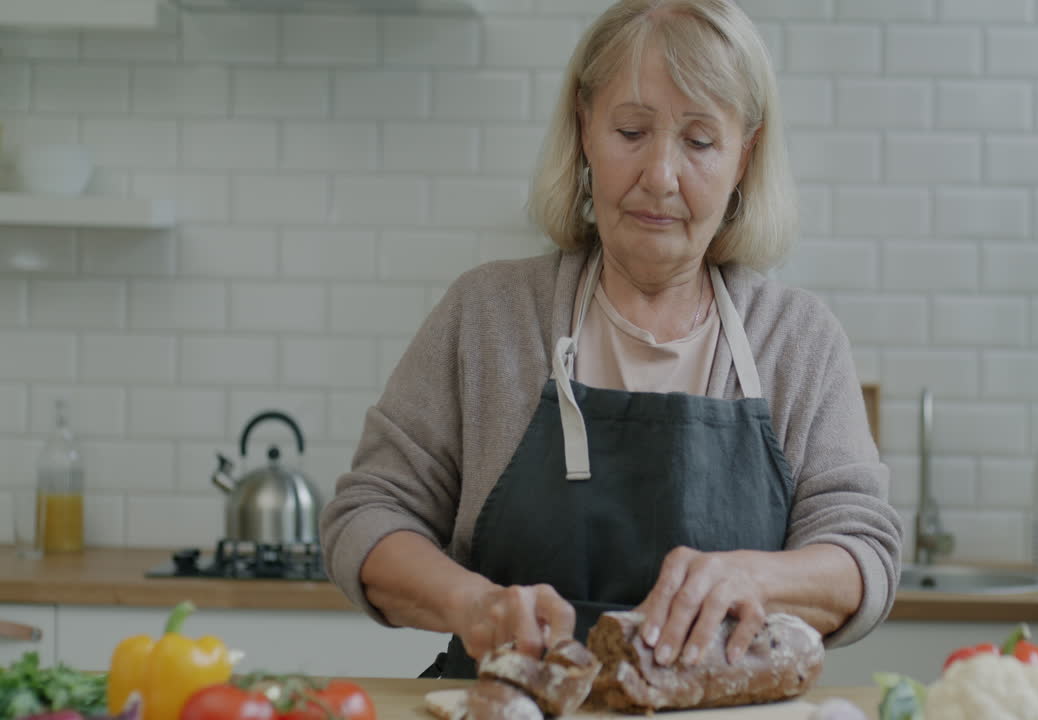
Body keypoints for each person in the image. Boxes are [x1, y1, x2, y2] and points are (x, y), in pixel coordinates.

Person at [319, 0, 902, 680]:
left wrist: (758, 579)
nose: (660, 175)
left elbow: (864, 550)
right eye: (631, 130)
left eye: (701, 141)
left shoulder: (798, 341)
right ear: (584, 129)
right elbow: (366, 516)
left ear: (745, 156)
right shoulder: (487, 316)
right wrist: (469, 603)